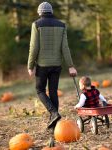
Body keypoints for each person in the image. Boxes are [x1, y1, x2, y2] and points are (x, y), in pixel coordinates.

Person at [27, 2, 77, 130]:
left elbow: (34, 47)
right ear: (51, 11)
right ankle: (54, 120)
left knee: (40, 90)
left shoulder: (36, 25)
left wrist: (30, 65)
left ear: (40, 12)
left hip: (42, 65)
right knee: (53, 91)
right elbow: (65, 47)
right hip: (56, 65)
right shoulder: (62, 25)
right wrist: (70, 66)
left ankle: (54, 113)